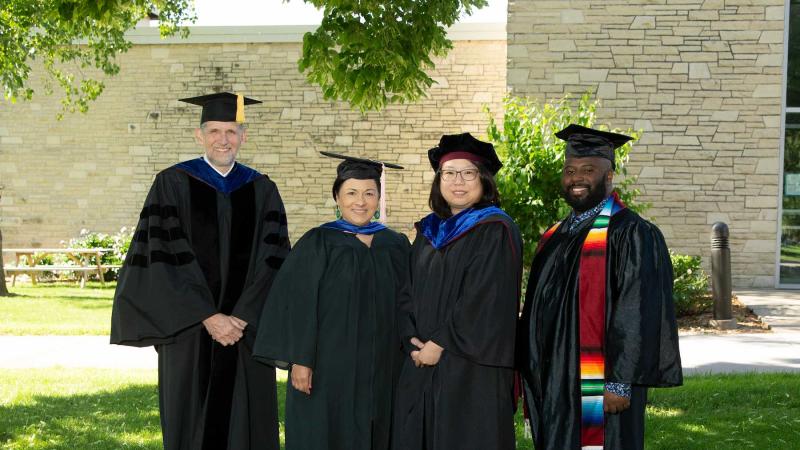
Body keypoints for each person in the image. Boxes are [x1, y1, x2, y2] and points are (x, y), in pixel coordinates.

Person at [110, 92, 289, 450]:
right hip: (190, 331)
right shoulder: (171, 184)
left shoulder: (262, 189)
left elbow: (274, 260)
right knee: (191, 422)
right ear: (199, 135)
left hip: (245, 333)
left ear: (243, 136)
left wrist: (240, 316)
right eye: (214, 131)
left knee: (246, 423)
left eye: (231, 132)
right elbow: (163, 259)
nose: (223, 140)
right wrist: (207, 315)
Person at [517, 124, 683, 450]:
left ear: (609, 177)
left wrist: (620, 382)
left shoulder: (632, 233)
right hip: (555, 379)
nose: (576, 178)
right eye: (570, 170)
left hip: (600, 383)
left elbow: (637, 311)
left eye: (588, 170)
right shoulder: (554, 236)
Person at [252, 153, 409, 450]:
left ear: (378, 197)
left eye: (369, 193)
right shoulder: (318, 242)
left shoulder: (395, 245)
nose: (360, 201)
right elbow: (297, 305)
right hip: (327, 367)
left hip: (385, 366)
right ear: (336, 196)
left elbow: (408, 302)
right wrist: (301, 360)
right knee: (325, 432)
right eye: (351, 192)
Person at [392, 133, 523, 450]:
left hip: (471, 368)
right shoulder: (427, 231)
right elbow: (406, 290)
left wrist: (438, 344)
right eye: (449, 173)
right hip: (421, 361)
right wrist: (410, 340)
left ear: (484, 180)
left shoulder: (495, 228)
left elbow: (485, 298)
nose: (458, 181)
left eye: (468, 173)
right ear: (439, 181)